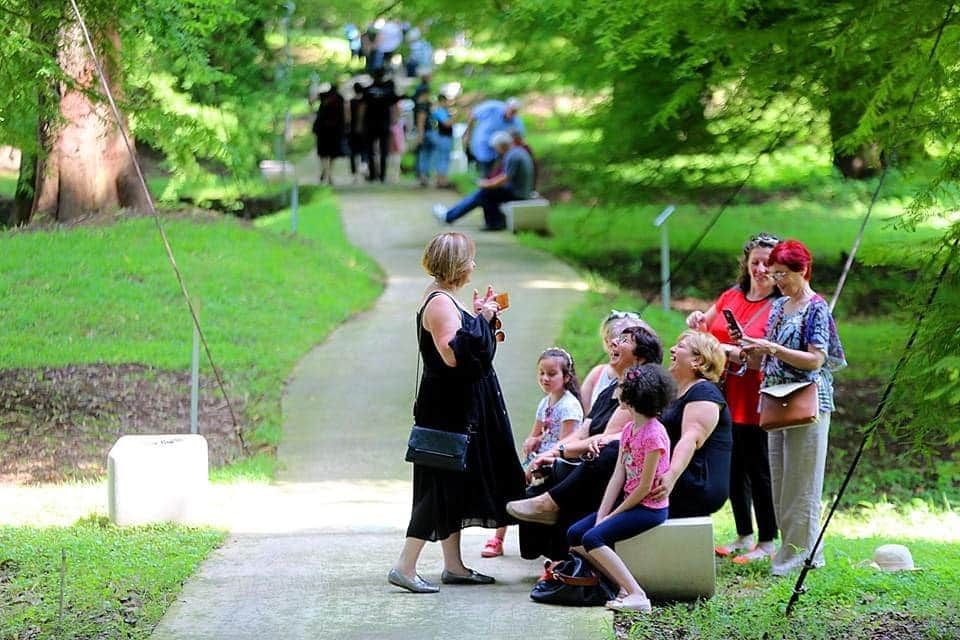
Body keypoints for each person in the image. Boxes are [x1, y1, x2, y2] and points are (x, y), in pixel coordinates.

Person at [388, 232, 526, 593]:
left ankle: (454, 566)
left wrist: (482, 320)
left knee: (451, 485)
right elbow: (454, 356)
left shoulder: (447, 299)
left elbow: (466, 345)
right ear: (455, 266)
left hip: (455, 405)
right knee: (437, 487)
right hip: (447, 410)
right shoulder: (440, 304)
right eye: (469, 260)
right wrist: (482, 320)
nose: (473, 266)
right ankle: (405, 566)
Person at [507, 325, 663, 561]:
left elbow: (607, 438)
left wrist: (561, 450)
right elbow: (583, 431)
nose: (613, 343)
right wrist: (552, 451)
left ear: (640, 357)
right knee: (546, 469)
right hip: (589, 452)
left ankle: (552, 521)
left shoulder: (638, 393)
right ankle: (551, 552)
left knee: (586, 466)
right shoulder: (610, 390)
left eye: (624, 340)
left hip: (612, 461)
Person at [740, 240, 846, 576]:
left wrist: (771, 347)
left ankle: (796, 559)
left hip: (807, 401)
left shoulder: (816, 308)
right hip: (775, 399)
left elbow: (816, 359)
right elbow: (767, 357)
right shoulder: (778, 307)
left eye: (782, 274)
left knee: (804, 483)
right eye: (774, 274)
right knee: (782, 483)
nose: (777, 281)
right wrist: (750, 349)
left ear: (802, 270)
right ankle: (801, 553)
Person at [686, 232, 781, 563]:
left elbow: (767, 354)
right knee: (732, 467)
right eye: (755, 262)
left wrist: (724, 351)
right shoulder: (731, 296)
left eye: (768, 263)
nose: (760, 269)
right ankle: (744, 534)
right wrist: (697, 320)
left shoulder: (780, 306)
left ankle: (768, 539)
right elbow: (703, 328)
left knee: (759, 469)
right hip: (725, 396)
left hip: (757, 397)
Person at [567, 363, 675, 613]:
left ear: (632, 397)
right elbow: (619, 475)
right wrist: (603, 514)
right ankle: (622, 586)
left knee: (593, 537)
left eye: (621, 388)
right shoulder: (629, 429)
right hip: (630, 501)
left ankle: (638, 595)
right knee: (575, 534)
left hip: (649, 508)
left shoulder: (654, 435)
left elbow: (645, 487)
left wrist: (611, 517)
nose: (617, 391)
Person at [481, 347, 583, 559]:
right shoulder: (545, 402)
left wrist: (538, 462)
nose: (545, 378)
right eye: (542, 373)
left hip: (554, 465)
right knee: (507, 484)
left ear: (566, 377)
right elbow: (535, 434)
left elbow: (566, 444)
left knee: (521, 488)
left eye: (552, 374)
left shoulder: (570, 407)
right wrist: (532, 441)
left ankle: (545, 551)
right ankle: (498, 537)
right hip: (538, 460)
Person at [646, 331, 733, 517]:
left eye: (681, 346)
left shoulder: (704, 392)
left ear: (698, 361)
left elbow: (690, 439)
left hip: (696, 483)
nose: (672, 349)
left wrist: (670, 477)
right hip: (678, 477)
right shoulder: (674, 393)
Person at [432, 131, 533, 231]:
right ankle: (450, 215)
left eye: (495, 148)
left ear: (501, 146)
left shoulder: (513, 155)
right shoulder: (516, 152)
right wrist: (488, 184)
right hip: (519, 190)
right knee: (484, 193)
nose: (495, 150)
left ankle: (492, 223)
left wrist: (487, 184)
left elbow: (505, 178)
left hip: (518, 193)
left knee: (484, 193)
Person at [581, 311, 655, 415]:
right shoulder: (598, 373)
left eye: (624, 340)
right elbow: (585, 416)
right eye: (610, 340)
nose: (613, 344)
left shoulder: (642, 386)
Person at [462, 98, 524, 177]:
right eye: (511, 110)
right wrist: (468, 133)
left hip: (499, 153)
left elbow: (520, 138)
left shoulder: (516, 122)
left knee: (494, 173)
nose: (512, 113)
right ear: (507, 106)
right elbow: (473, 114)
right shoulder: (491, 107)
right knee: (484, 170)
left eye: (515, 112)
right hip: (482, 146)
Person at [360, 69, 399, 183]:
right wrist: (394, 121)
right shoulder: (388, 90)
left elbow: (362, 108)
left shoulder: (368, 90)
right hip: (383, 124)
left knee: (371, 150)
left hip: (370, 124)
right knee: (383, 150)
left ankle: (373, 175)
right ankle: (382, 175)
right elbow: (394, 106)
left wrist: (360, 123)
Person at [311, 82, 346, 186]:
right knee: (332, 153)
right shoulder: (340, 98)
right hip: (335, 129)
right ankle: (329, 173)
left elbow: (311, 101)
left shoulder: (324, 96)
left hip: (322, 128)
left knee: (323, 152)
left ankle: (325, 171)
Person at [431, 94, 455, 188]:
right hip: (443, 137)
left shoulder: (441, 111)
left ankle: (440, 180)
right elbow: (447, 124)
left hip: (443, 137)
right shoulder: (440, 111)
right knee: (443, 159)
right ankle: (441, 181)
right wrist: (455, 116)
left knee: (442, 159)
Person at [413, 91, 435, 187]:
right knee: (424, 155)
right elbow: (421, 121)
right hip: (426, 133)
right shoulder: (422, 106)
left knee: (425, 155)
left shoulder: (424, 105)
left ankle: (424, 176)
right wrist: (420, 135)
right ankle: (423, 176)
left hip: (426, 132)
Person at [347, 82, 367, 183]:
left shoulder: (351, 101)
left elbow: (348, 117)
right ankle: (364, 168)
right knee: (364, 150)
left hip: (353, 130)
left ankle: (355, 173)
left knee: (353, 152)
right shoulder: (365, 101)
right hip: (364, 130)